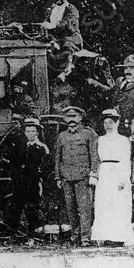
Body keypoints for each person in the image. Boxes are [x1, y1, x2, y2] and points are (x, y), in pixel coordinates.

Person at [55, 106, 99, 247]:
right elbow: (58, 158)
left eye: (74, 117)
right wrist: (58, 177)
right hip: (67, 177)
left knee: (85, 208)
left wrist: (93, 173)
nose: (71, 120)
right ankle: (75, 236)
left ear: (80, 118)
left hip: (83, 177)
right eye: (68, 117)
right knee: (71, 208)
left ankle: (85, 237)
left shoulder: (89, 134)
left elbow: (94, 155)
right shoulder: (62, 136)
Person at [91, 109, 134, 246]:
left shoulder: (123, 140)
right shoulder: (100, 139)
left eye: (111, 122)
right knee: (104, 204)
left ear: (117, 123)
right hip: (104, 172)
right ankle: (105, 235)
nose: (108, 125)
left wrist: (123, 179)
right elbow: (96, 159)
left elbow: (126, 161)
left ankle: (118, 237)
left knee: (118, 204)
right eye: (105, 122)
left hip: (118, 172)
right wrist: (95, 175)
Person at [7, 117, 51, 244]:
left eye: (33, 131)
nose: (30, 134)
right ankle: (13, 235)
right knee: (15, 208)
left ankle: (31, 236)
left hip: (33, 182)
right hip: (19, 182)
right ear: (24, 132)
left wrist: (39, 177)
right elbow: (12, 163)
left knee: (32, 209)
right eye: (27, 131)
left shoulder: (42, 148)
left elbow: (47, 166)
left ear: (37, 132)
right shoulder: (18, 147)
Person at [40, 0, 83, 79]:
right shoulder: (51, 9)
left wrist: (53, 26)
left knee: (66, 50)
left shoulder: (71, 9)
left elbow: (67, 24)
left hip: (70, 37)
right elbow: (46, 22)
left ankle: (65, 73)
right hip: (55, 38)